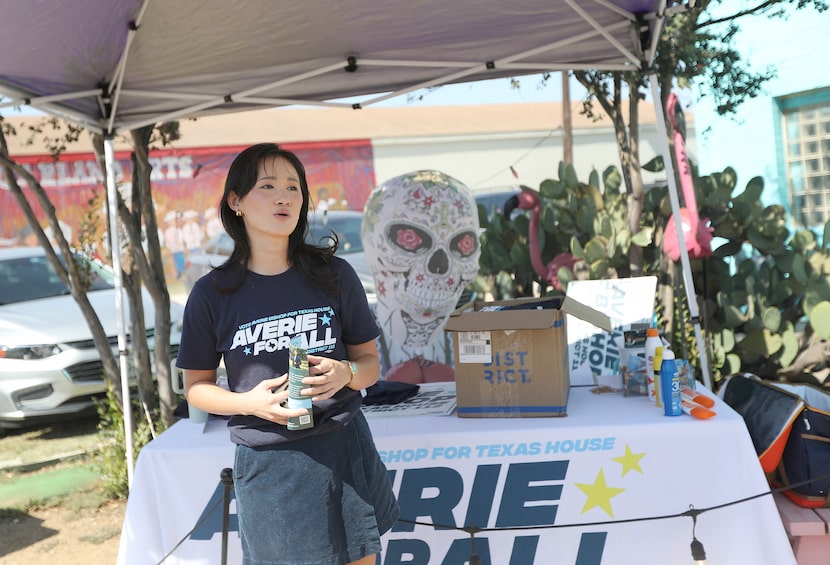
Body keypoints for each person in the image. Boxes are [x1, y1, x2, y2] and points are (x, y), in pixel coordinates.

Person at [176, 143, 399, 565]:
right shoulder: (211, 294)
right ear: (236, 202)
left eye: (294, 187)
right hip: (271, 462)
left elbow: (370, 366)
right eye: (269, 185)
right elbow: (197, 389)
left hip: (346, 447)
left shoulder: (335, 274)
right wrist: (248, 403)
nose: (285, 196)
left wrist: (345, 373)